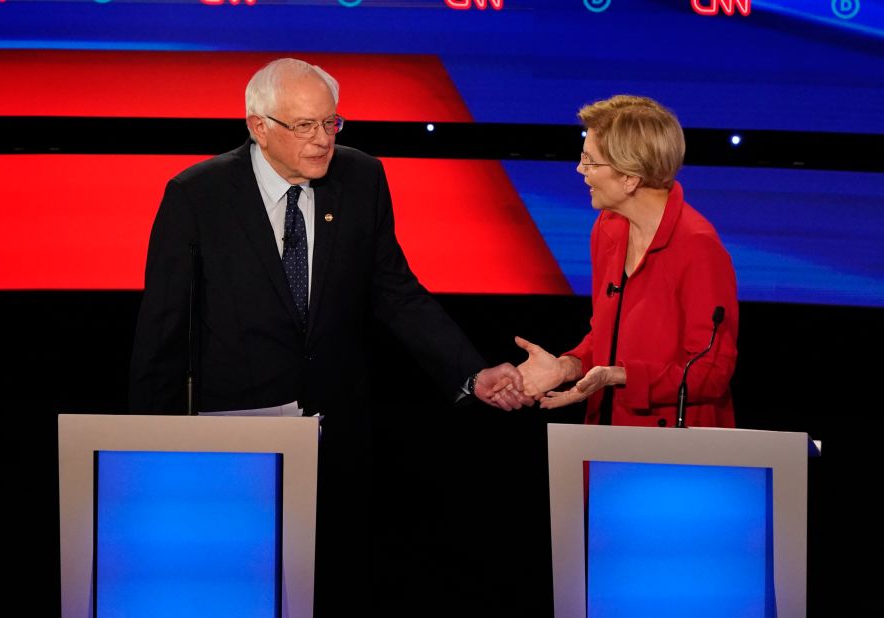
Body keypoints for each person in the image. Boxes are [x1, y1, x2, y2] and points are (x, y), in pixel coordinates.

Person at [128, 58, 529, 613]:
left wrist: (472, 370)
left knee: (330, 586)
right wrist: (152, 449)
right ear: (258, 126)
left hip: (336, 436)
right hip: (233, 440)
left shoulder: (361, 176)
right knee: (237, 588)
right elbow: (164, 327)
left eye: (331, 124)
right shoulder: (198, 194)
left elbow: (395, 290)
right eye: (304, 127)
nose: (322, 142)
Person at [516, 95, 738, 427]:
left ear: (629, 178)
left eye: (590, 161)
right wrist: (567, 366)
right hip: (608, 431)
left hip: (677, 446)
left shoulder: (697, 247)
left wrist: (621, 376)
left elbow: (710, 372)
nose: (580, 170)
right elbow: (606, 336)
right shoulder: (608, 228)